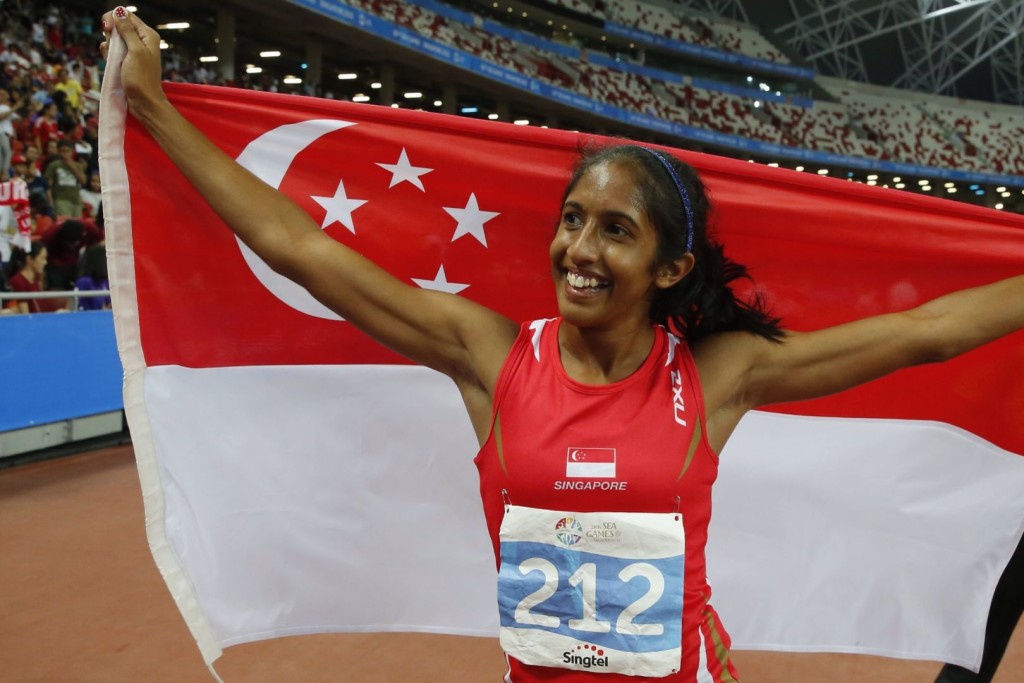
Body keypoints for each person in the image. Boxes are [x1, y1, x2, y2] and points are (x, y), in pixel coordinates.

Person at [102, 9, 1024, 682]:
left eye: (616, 230)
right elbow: (301, 250)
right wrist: (156, 109)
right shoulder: (489, 354)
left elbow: (925, 333)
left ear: (670, 267)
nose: (579, 250)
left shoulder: (719, 375)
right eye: (573, 219)